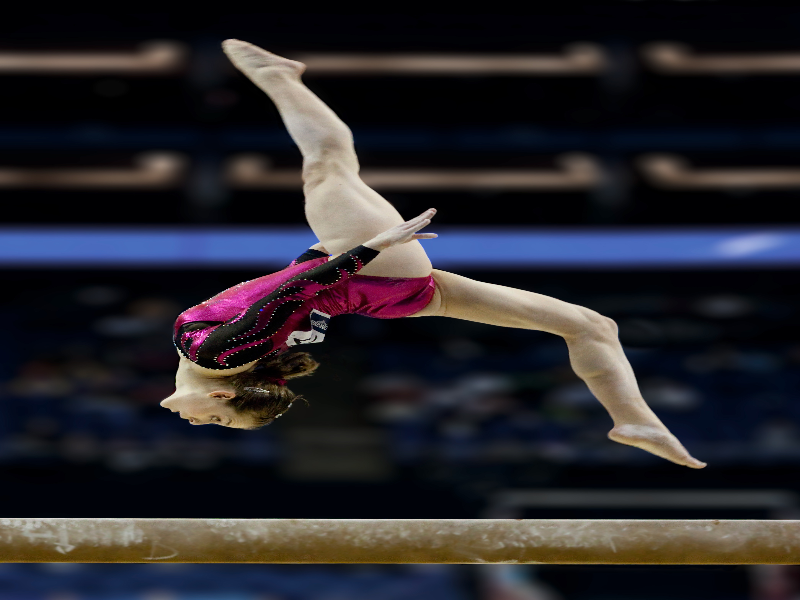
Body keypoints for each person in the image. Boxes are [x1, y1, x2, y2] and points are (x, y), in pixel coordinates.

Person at [160, 39, 705, 469]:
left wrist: (349, 253)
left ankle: (635, 420)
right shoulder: (217, 359)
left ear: (229, 396)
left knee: (588, 324)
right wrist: (371, 249)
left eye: (222, 425)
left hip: (376, 283)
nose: (205, 426)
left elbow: (290, 292)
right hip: (373, 274)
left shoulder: (215, 358)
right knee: (327, 163)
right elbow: (290, 294)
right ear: (227, 394)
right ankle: (279, 77)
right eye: (223, 424)